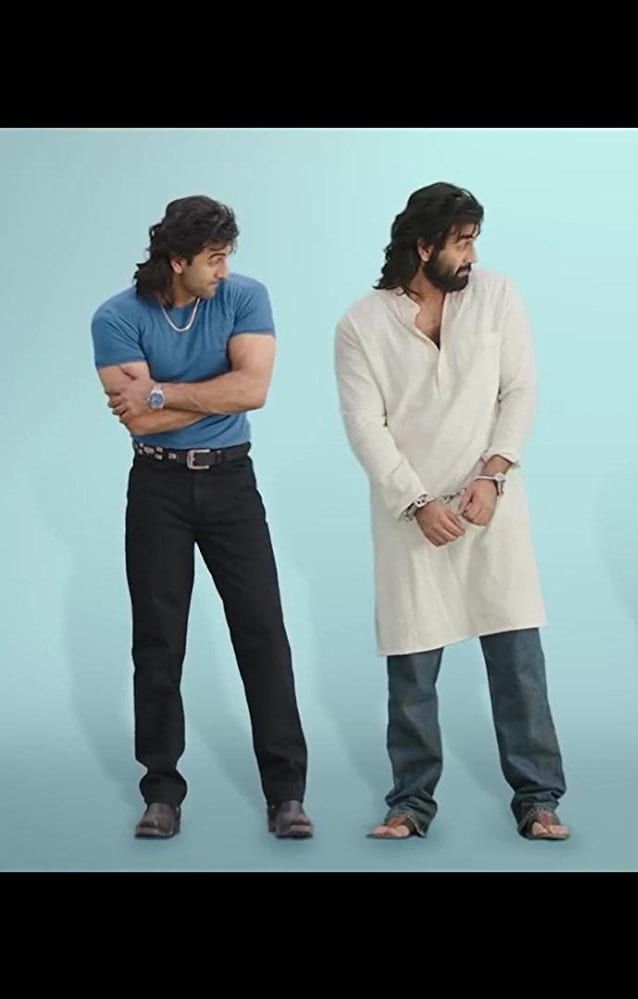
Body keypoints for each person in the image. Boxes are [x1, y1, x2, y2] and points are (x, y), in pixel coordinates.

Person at [333, 181, 569, 842]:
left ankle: (538, 799)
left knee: (517, 660)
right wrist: (415, 502)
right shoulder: (360, 325)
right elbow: (365, 426)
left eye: (474, 241)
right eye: (462, 242)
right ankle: (410, 804)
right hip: (411, 518)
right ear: (423, 246)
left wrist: (493, 473)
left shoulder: (496, 295)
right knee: (412, 666)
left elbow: (520, 389)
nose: (472, 255)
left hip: (490, 504)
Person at [91, 195, 313, 840]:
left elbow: (254, 390)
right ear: (177, 259)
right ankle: (161, 793)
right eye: (214, 258)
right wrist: (203, 397)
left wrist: (162, 391)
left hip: (231, 483)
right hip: (156, 486)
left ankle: (287, 795)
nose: (224, 269)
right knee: (159, 641)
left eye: (227, 256)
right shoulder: (116, 317)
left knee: (263, 632)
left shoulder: (244, 297)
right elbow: (137, 421)